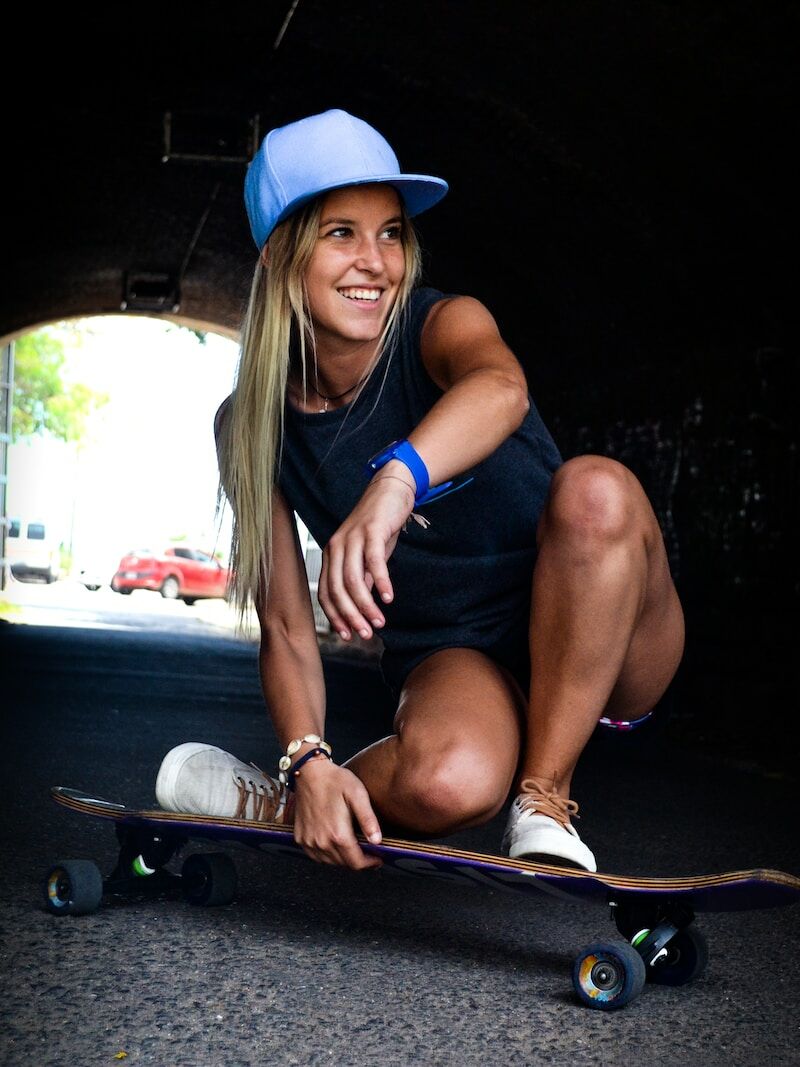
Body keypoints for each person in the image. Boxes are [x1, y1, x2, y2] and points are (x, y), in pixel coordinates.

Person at [155, 109, 685, 872]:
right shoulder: (251, 423)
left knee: (595, 490)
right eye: (342, 232)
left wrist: (396, 479)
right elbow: (286, 622)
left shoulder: (441, 326)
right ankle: (288, 803)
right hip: (460, 651)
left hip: (604, 620)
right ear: (279, 255)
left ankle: (544, 797)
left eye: (392, 232)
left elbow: (501, 387)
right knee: (448, 779)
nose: (376, 260)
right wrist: (307, 761)